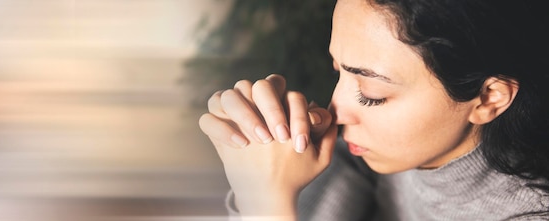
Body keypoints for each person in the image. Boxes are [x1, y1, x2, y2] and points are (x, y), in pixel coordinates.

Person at [198, 0, 549, 220]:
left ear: (489, 98)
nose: (336, 110)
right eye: (339, 71)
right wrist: (258, 173)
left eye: (371, 93)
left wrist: (266, 204)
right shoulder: (368, 157)